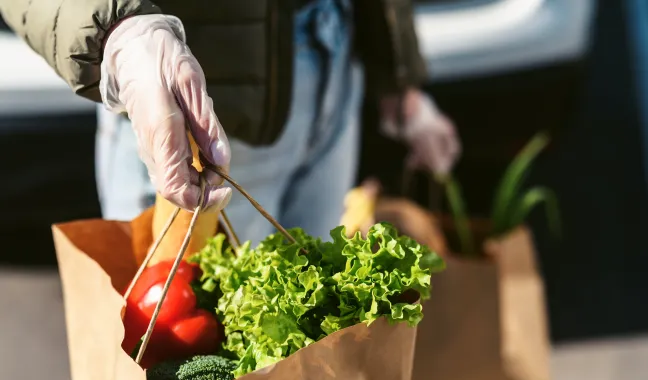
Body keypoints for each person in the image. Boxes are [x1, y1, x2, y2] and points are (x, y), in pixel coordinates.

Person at [0, 0, 461, 244]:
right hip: (190, 97)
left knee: (309, 373)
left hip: (335, 60)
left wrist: (396, 67)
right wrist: (117, 26)